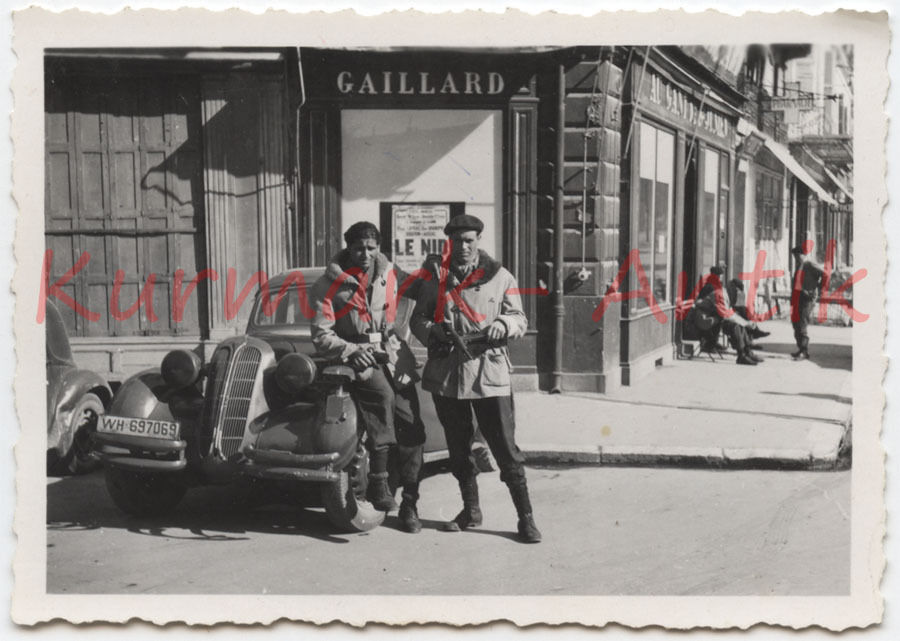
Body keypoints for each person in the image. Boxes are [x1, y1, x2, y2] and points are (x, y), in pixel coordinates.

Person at [410, 214, 541, 544]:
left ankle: (526, 518)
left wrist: (504, 325)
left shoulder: (500, 276)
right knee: (458, 447)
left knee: (505, 448)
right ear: (449, 243)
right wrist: (433, 331)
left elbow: (519, 318)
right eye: (457, 241)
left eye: (469, 240)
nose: (463, 246)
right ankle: (471, 510)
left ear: (478, 241)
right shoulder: (436, 278)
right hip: (449, 373)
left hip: (488, 372)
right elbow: (418, 318)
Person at [310, 221, 425, 533]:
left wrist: (436, 271)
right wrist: (350, 350)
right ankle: (378, 482)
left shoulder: (390, 272)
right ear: (348, 247)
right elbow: (321, 335)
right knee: (381, 398)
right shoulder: (327, 284)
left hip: (394, 356)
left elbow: (420, 289)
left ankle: (410, 504)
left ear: (379, 248)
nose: (365, 254)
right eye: (358, 248)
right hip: (357, 358)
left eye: (371, 248)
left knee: (412, 425)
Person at [694, 263, 764, 366]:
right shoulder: (720, 294)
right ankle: (741, 355)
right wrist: (745, 323)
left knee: (738, 324)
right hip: (705, 320)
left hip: (714, 319)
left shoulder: (725, 294)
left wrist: (745, 323)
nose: (737, 295)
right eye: (736, 292)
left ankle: (747, 351)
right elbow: (726, 315)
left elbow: (730, 313)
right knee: (734, 326)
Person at [789, 243, 825, 360]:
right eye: (794, 256)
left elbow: (825, 274)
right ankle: (801, 349)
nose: (796, 258)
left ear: (803, 255)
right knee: (796, 324)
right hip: (797, 299)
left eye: (797, 256)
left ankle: (804, 351)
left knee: (802, 324)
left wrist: (818, 288)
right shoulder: (799, 266)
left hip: (807, 299)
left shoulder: (809, 264)